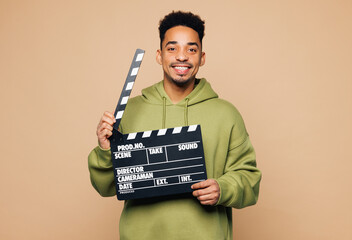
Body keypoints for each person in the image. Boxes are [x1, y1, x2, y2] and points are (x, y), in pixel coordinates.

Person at [88, 11, 261, 240]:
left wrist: (224, 188)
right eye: (172, 48)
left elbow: (249, 178)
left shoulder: (226, 114)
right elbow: (105, 186)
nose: (182, 56)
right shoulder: (128, 112)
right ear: (159, 55)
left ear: (202, 57)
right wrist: (105, 150)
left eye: (191, 49)